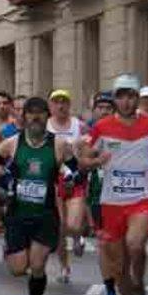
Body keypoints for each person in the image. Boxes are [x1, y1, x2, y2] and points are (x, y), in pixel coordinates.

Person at [80, 74, 148, 295]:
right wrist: (95, 162)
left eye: (131, 95)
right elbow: (84, 160)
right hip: (111, 203)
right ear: (116, 99)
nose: (127, 101)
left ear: (137, 98)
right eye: (122, 96)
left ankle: (140, 285)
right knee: (118, 267)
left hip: (142, 198)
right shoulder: (102, 127)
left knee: (135, 243)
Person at [0, 97, 72, 295]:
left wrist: (70, 179)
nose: (35, 118)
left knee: (37, 266)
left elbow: (75, 169)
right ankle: (11, 249)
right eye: (31, 113)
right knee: (17, 269)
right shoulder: (13, 143)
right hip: (17, 214)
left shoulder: (58, 145)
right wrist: (0, 184)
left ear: (48, 117)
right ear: (23, 117)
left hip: (44, 216)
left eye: (40, 113)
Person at [47, 89, 88, 283]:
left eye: (64, 102)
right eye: (56, 102)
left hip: (76, 178)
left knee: (72, 224)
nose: (60, 106)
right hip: (55, 180)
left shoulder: (79, 125)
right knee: (60, 227)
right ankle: (64, 267)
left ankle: (79, 236)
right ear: (50, 106)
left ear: (69, 105)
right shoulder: (46, 126)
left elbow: (89, 148)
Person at [86, 93, 117, 295]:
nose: (104, 111)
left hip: (127, 196)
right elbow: (81, 164)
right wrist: (96, 160)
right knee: (105, 244)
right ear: (94, 110)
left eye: (108, 107)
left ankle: (131, 284)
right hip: (99, 196)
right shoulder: (88, 137)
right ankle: (111, 290)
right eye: (101, 107)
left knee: (127, 245)